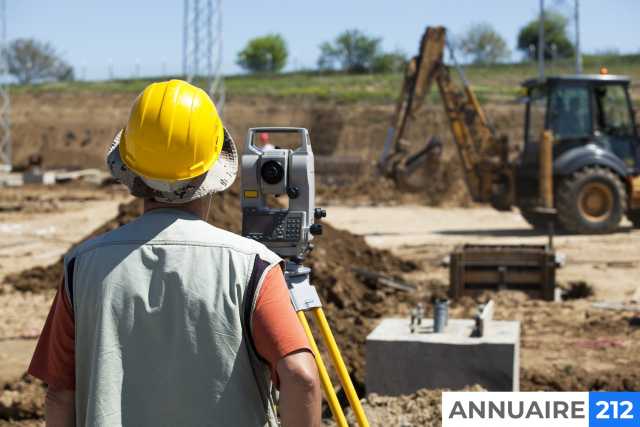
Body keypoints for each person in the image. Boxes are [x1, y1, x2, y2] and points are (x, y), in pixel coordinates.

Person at [28, 79, 321, 427]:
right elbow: (301, 377)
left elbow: (60, 393)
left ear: (130, 171)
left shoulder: (82, 267)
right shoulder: (252, 266)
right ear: (215, 170)